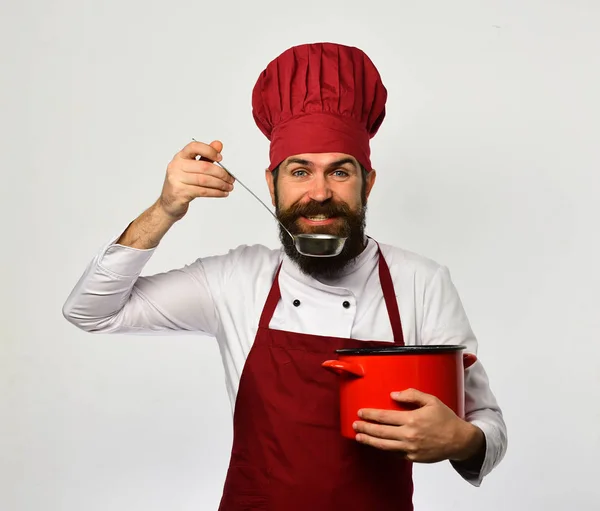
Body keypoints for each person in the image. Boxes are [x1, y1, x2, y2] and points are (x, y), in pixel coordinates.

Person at [63, 42, 507, 510]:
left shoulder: (420, 281)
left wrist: (461, 440)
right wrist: (166, 209)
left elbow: (485, 420)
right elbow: (90, 311)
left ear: (367, 183)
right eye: (300, 171)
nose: (319, 193)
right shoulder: (237, 279)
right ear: (272, 183)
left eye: (339, 171)